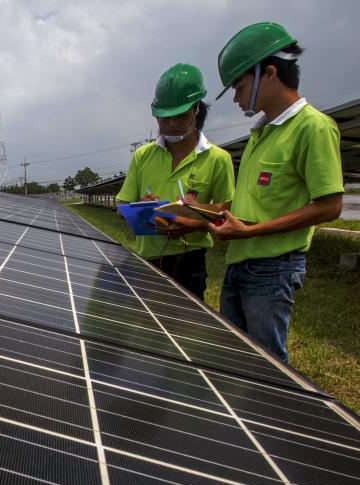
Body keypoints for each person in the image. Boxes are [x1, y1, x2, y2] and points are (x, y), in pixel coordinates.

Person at [209, 22, 343, 362]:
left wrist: (251, 231)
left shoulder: (313, 127)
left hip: (272, 269)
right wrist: (207, 213)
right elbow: (253, 203)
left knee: (267, 368)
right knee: (235, 358)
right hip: (239, 263)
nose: (236, 98)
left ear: (268, 73)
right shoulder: (260, 134)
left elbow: (330, 205)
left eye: (239, 86)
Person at [116, 63, 235, 299]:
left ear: (197, 111)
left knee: (184, 328)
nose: (171, 124)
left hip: (190, 261)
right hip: (147, 258)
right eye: (164, 118)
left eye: (180, 115)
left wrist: (192, 222)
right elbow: (121, 206)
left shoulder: (217, 159)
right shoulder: (143, 156)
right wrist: (141, 208)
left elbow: (226, 212)